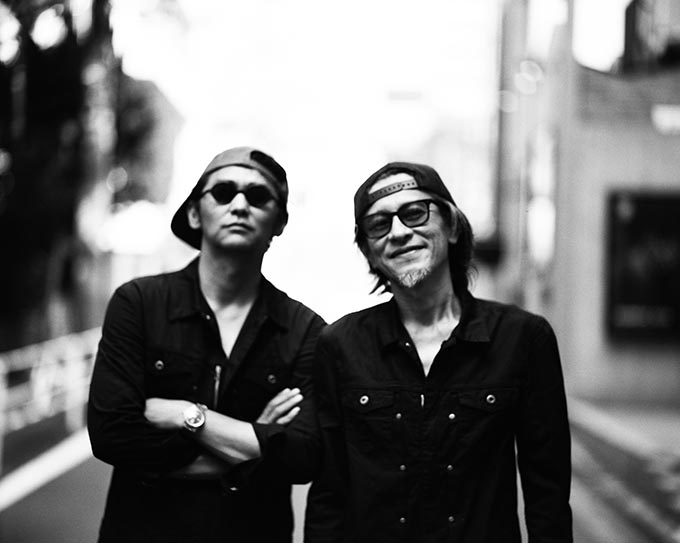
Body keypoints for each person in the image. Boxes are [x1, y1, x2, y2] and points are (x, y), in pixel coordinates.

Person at [305, 162, 572, 542]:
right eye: (378, 224)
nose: (398, 232)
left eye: (415, 213)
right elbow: (328, 495)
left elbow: (548, 497)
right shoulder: (339, 345)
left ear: (452, 227)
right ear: (369, 252)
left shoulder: (523, 338)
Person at [88, 146, 325, 543]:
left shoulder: (306, 330)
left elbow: (303, 456)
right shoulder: (139, 304)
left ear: (279, 222)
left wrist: (188, 416)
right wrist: (256, 440)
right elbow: (112, 434)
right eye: (223, 192)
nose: (239, 205)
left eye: (258, 196)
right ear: (195, 213)